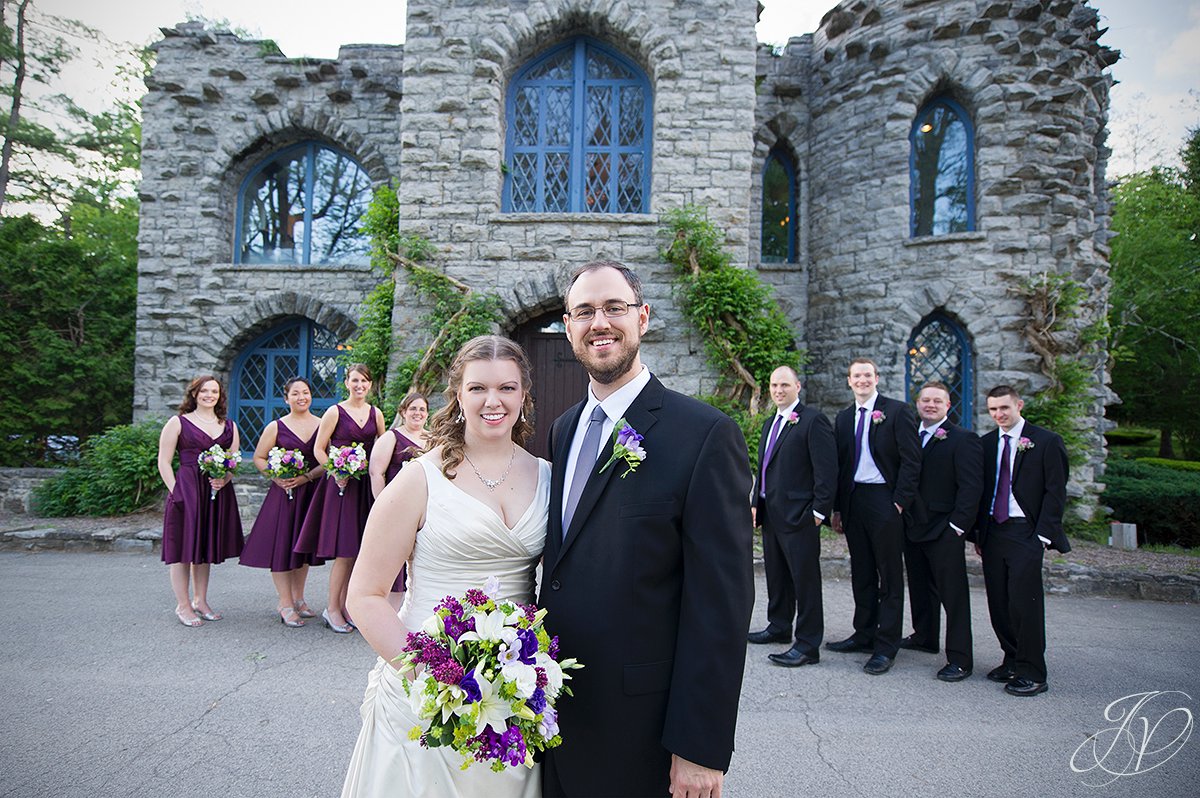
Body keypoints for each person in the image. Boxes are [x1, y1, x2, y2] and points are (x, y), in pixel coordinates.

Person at [540, 261, 754, 798]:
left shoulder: (705, 435)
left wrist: (699, 745)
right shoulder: (563, 431)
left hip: (643, 733)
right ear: (568, 328)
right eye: (584, 312)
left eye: (614, 307)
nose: (600, 322)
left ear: (643, 317)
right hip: (554, 718)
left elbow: (720, 604)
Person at [342, 336, 547, 798]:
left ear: (523, 397)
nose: (493, 401)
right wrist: (435, 679)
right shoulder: (419, 480)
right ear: (458, 396)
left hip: (514, 694)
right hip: (426, 690)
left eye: (507, 388)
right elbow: (365, 596)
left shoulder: (549, 476)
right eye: (477, 389)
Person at [973, 384, 1070, 697]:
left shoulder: (1046, 442)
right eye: (993, 410)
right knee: (999, 601)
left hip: (1026, 532)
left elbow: (1056, 492)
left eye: (1005, 408)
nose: (999, 414)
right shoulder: (987, 444)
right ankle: (1012, 658)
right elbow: (981, 490)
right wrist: (978, 534)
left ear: (1019, 405)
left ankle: (1033, 672)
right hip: (993, 531)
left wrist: (1042, 535)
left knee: (1024, 603)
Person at [828, 357, 922, 675]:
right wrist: (838, 509)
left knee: (889, 575)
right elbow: (840, 468)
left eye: (868, 374)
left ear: (877, 378)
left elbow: (912, 459)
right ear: (849, 381)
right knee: (862, 572)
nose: (863, 380)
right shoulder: (843, 418)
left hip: (885, 499)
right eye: (857, 375)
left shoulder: (896, 412)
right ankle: (863, 633)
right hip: (855, 500)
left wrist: (899, 502)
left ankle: (886, 645)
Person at [748, 365, 837, 669]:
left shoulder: (813, 421)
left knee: (805, 581)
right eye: (774, 385)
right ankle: (779, 626)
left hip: (800, 516)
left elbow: (827, 471)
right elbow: (764, 468)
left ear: (797, 386)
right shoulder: (771, 422)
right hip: (771, 514)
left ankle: (809, 644)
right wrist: (756, 501)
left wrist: (818, 512)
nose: (778, 390)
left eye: (784, 385)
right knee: (777, 574)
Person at [294, 363, 386, 633]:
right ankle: (331, 608)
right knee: (344, 553)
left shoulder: (375, 413)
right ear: (347, 383)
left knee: (360, 552)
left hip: (365, 487)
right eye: (355, 381)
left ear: (370, 385)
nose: (360, 386)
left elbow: (381, 448)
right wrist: (336, 470)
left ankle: (347, 606)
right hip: (342, 486)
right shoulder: (335, 412)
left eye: (364, 381)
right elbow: (319, 448)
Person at [901, 381, 983, 682]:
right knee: (921, 587)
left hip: (945, 528)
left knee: (954, 595)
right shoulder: (912, 436)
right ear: (918, 404)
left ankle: (961, 659)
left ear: (948, 406)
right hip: (914, 525)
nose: (930, 405)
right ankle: (925, 636)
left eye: (937, 401)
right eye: (925, 400)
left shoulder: (963, 439)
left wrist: (957, 527)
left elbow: (971, 487)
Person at [156, 375, 244, 627]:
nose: (209, 395)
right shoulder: (178, 422)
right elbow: (163, 461)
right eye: (204, 391)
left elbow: (233, 461)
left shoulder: (229, 426)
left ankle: (201, 601)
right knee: (182, 551)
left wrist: (224, 479)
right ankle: (183, 605)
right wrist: (176, 492)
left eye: (214, 391)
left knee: (204, 550)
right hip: (187, 490)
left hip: (215, 493)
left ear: (220, 395)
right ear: (194, 394)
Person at [239, 377, 326, 627]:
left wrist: (307, 476)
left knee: (303, 547)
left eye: (306, 392)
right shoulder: (276, 427)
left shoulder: (322, 425)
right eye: (296, 393)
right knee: (283, 546)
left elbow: (327, 460)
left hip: (310, 491)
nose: (302, 397)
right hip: (284, 493)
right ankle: (285, 603)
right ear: (286, 398)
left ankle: (299, 598)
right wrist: (276, 477)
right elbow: (259, 457)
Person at [367, 391, 431, 609]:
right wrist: (383, 507)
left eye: (422, 409)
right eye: (413, 408)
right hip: (398, 509)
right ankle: (389, 611)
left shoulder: (433, 440)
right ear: (403, 411)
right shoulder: (391, 437)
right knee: (394, 561)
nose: (418, 413)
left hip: (425, 511)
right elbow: (376, 473)